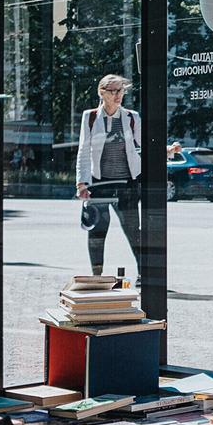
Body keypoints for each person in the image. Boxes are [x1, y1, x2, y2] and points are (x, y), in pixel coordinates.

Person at [76, 74, 144, 278]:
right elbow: (84, 150)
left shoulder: (132, 117)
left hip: (126, 183)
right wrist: (82, 183)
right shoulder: (90, 117)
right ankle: (97, 276)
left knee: (134, 231)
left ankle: (144, 275)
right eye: (113, 91)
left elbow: (143, 147)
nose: (118, 95)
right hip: (99, 183)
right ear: (102, 92)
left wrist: (165, 151)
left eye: (121, 90)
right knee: (97, 232)